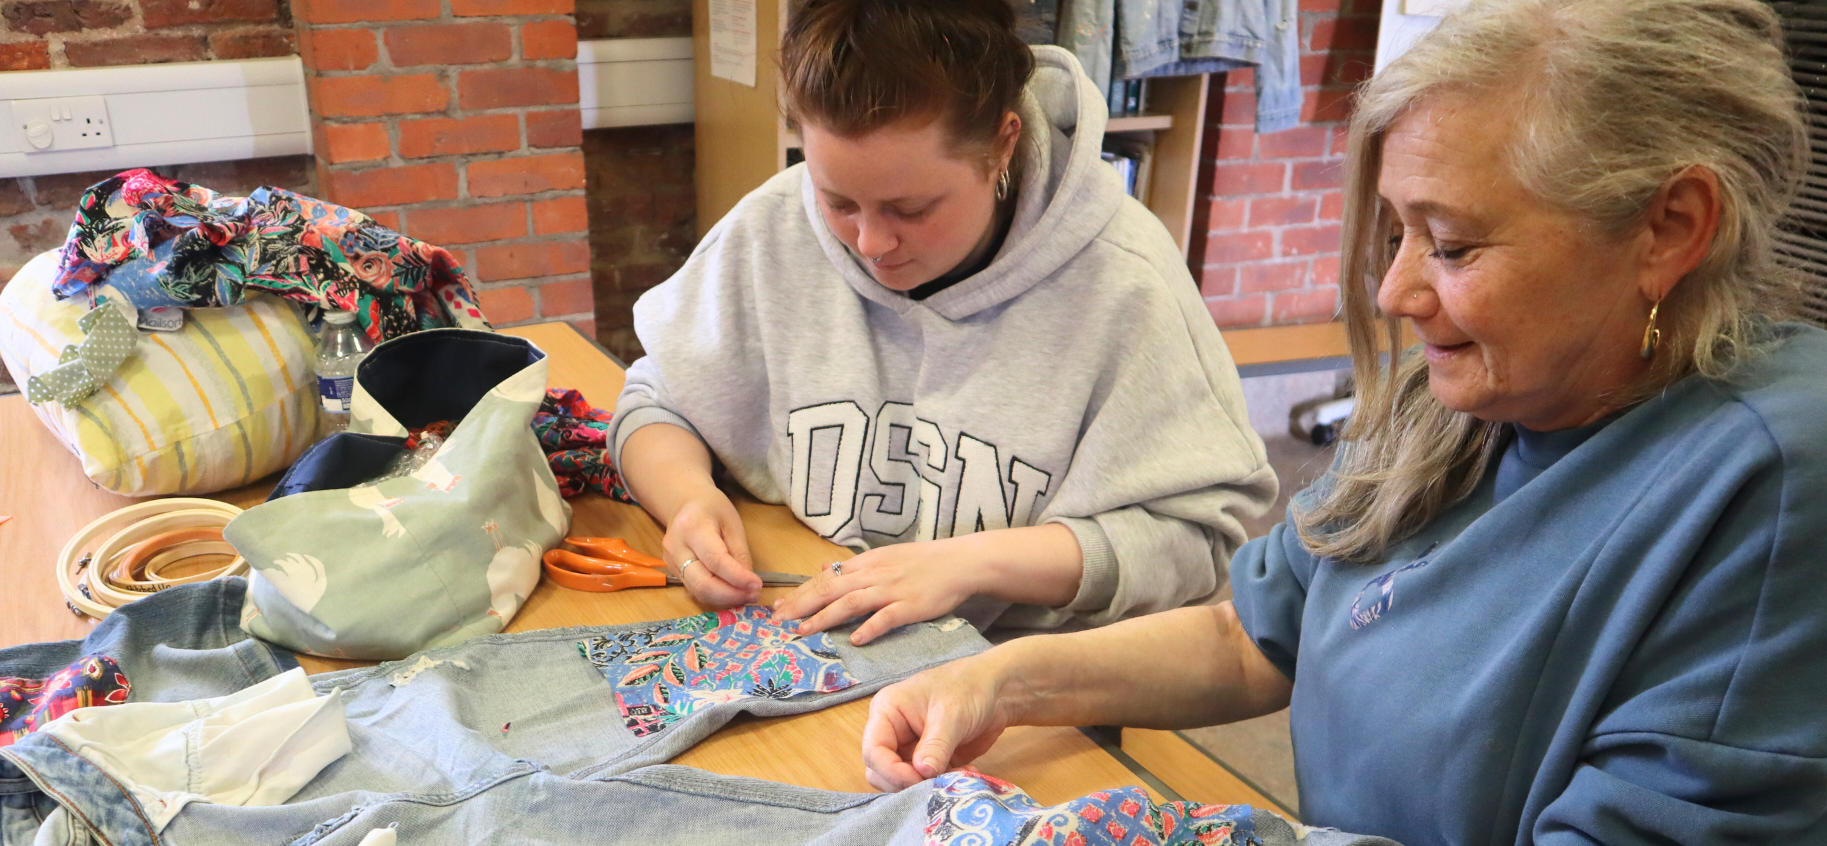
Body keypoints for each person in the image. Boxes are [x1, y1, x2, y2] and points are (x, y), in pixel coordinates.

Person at [859, 0, 1827, 843]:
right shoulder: (1463, 399)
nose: (1397, 289)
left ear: (1667, 229)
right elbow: (1253, 636)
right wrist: (998, 682)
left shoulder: (1771, 487)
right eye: (1396, 233)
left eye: (1450, 245)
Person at [607, 0, 1276, 644]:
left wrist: (971, 564)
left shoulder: (1125, 282)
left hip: (1026, 686)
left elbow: (1201, 543)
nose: (869, 242)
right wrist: (689, 499)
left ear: (1002, 145)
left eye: (912, 208)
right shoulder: (772, 225)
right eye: (837, 200)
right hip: (816, 640)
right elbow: (657, 400)